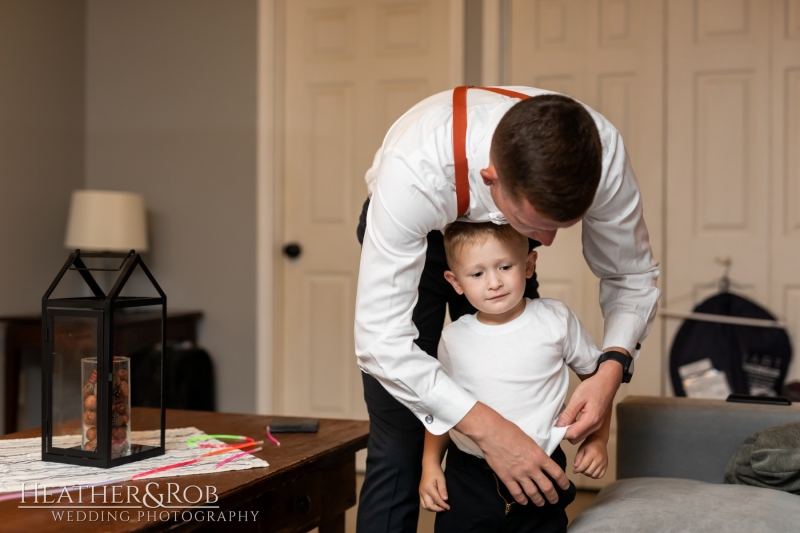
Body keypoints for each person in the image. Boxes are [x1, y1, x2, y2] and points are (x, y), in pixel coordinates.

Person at [354, 86, 659, 533]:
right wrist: (489, 431)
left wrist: (611, 369)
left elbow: (631, 276)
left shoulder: (602, 151)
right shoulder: (413, 171)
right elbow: (381, 343)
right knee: (400, 431)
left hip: (500, 245)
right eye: (537, 224)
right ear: (491, 179)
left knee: (515, 369)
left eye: (560, 226)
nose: (549, 241)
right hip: (417, 231)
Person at [418, 221, 611, 533]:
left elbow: (599, 383)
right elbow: (442, 408)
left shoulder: (555, 319)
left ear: (529, 265)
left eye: (505, 266)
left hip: (542, 466)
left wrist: (598, 439)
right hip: (467, 475)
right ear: (456, 282)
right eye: (477, 274)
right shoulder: (453, 337)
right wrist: (430, 465)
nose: (494, 282)